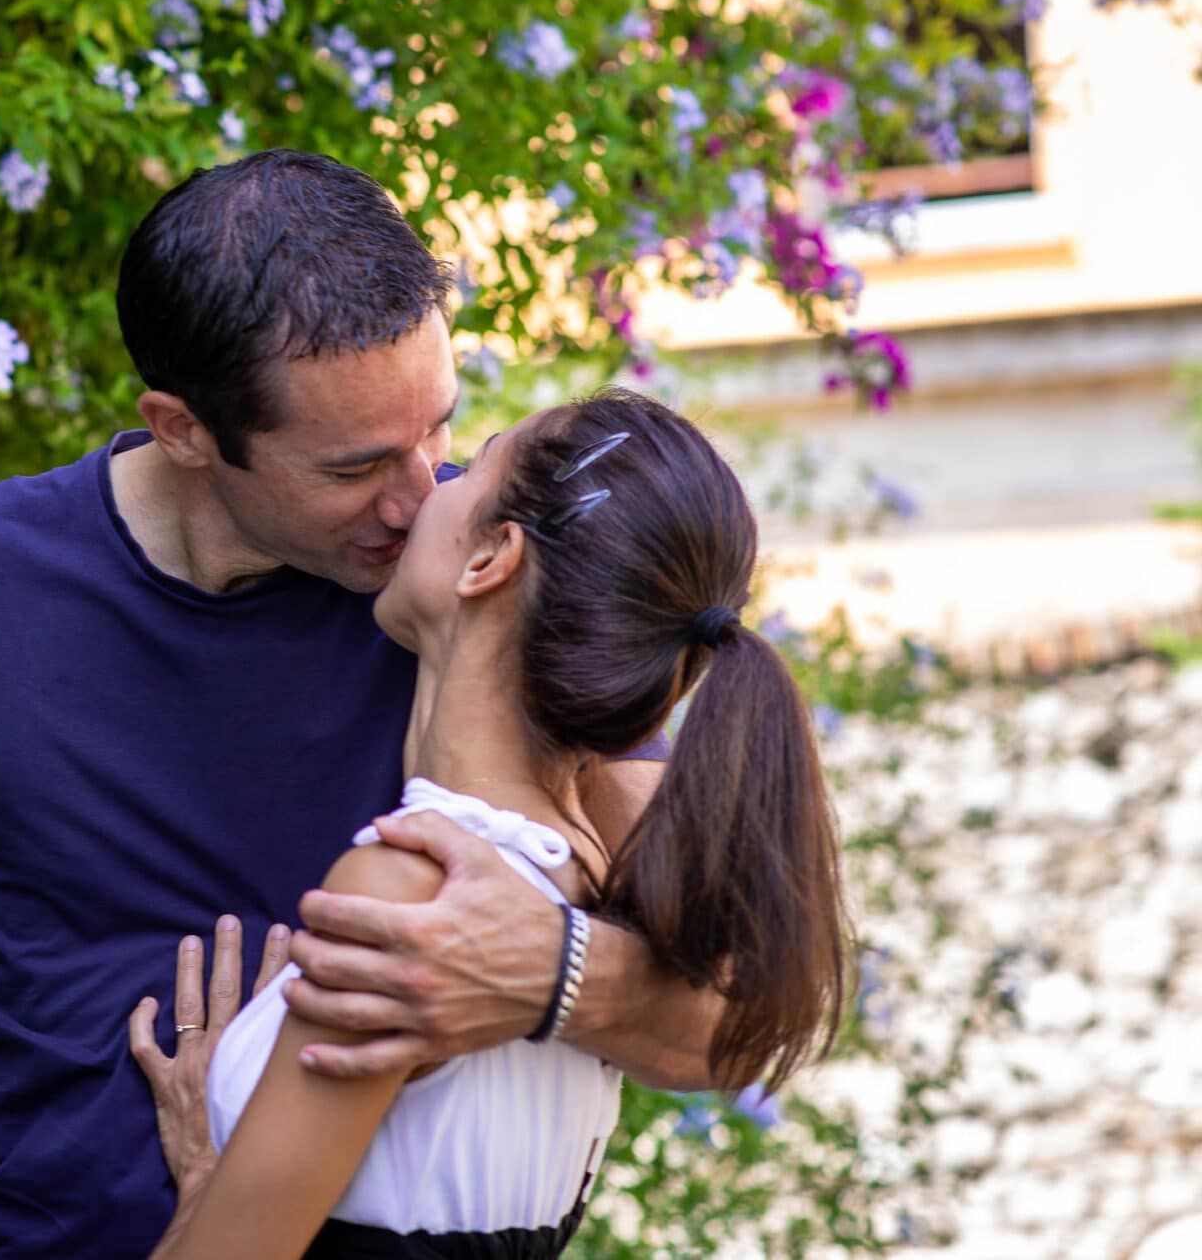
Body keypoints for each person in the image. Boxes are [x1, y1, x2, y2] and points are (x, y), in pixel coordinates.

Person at [0, 151, 732, 1260]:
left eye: (440, 429)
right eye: (355, 466)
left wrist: (545, 972)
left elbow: (734, 1015)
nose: (422, 494)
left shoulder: (484, 610)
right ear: (182, 429)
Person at [129, 389, 850, 1259]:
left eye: (467, 470)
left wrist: (209, 1181)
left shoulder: (414, 892)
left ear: (490, 559)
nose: (425, 484)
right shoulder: (599, 878)